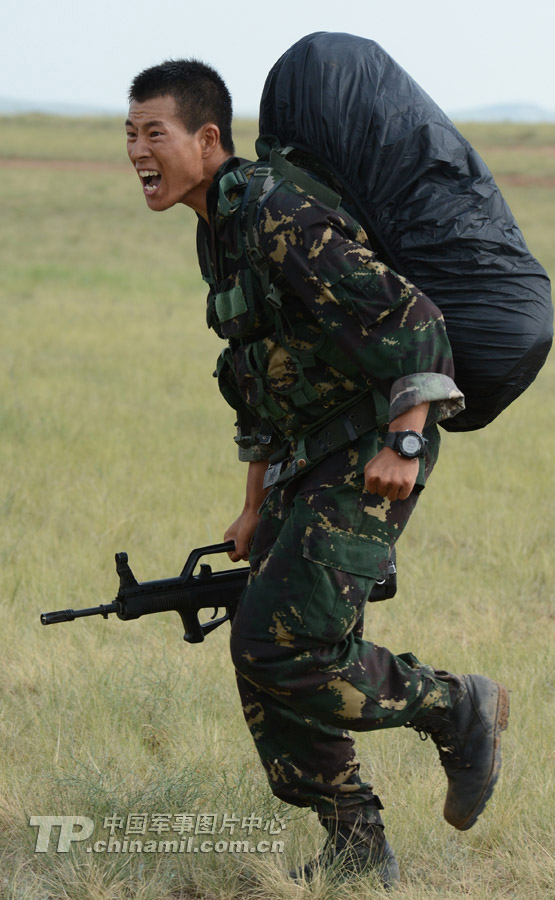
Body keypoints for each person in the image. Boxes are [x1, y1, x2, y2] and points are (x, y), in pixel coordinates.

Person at [125, 59, 509, 889]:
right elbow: (259, 375)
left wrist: (404, 442)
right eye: (129, 133)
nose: (137, 150)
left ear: (207, 137)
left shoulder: (271, 210)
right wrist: (252, 505)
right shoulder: (218, 229)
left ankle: (454, 705)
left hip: (373, 444)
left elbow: (414, 319)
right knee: (261, 652)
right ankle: (354, 845)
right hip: (311, 453)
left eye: (154, 132)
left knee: (283, 643)